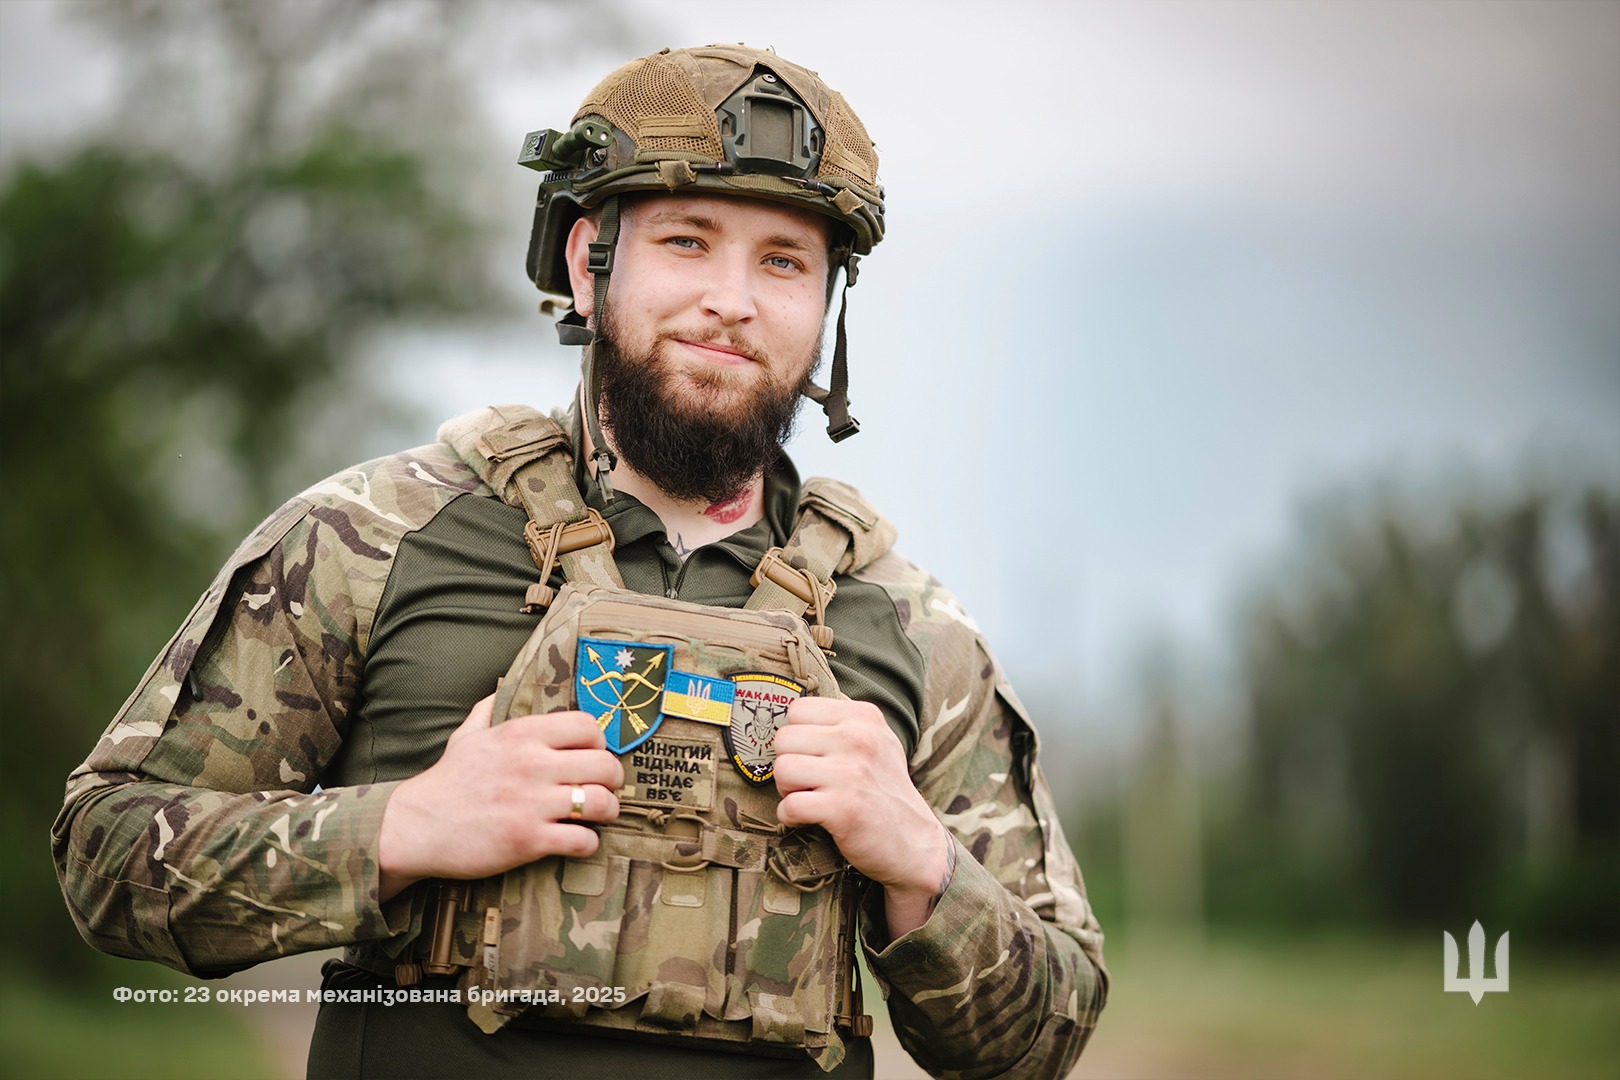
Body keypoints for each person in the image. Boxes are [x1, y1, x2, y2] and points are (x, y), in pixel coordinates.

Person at [53, 43, 1108, 1079]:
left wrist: (925, 867)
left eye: (784, 261)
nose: (733, 299)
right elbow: (107, 857)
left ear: (825, 301)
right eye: (687, 241)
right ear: (587, 263)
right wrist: (401, 828)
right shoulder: (372, 538)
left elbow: (1049, 1033)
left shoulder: (912, 627)